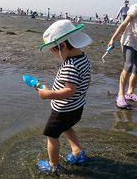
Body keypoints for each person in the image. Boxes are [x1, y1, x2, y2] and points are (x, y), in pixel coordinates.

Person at [35, 19, 92, 176]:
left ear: (62, 46)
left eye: (53, 50)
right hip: (77, 108)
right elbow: (86, 81)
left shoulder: (70, 66)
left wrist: (47, 94)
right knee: (67, 127)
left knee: (51, 135)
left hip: (63, 110)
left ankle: (53, 165)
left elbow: (69, 90)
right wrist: (81, 95)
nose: (53, 54)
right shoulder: (83, 58)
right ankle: (77, 152)